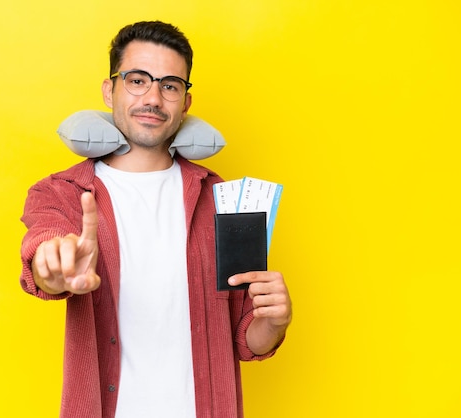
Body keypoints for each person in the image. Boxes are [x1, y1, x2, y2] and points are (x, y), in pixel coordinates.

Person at [19, 21, 292, 418]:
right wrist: (52, 265)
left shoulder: (223, 200)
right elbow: (43, 251)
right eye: (137, 80)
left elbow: (249, 340)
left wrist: (276, 320)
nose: (153, 97)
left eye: (169, 85)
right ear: (109, 90)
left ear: (185, 102)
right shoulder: (61, 193)